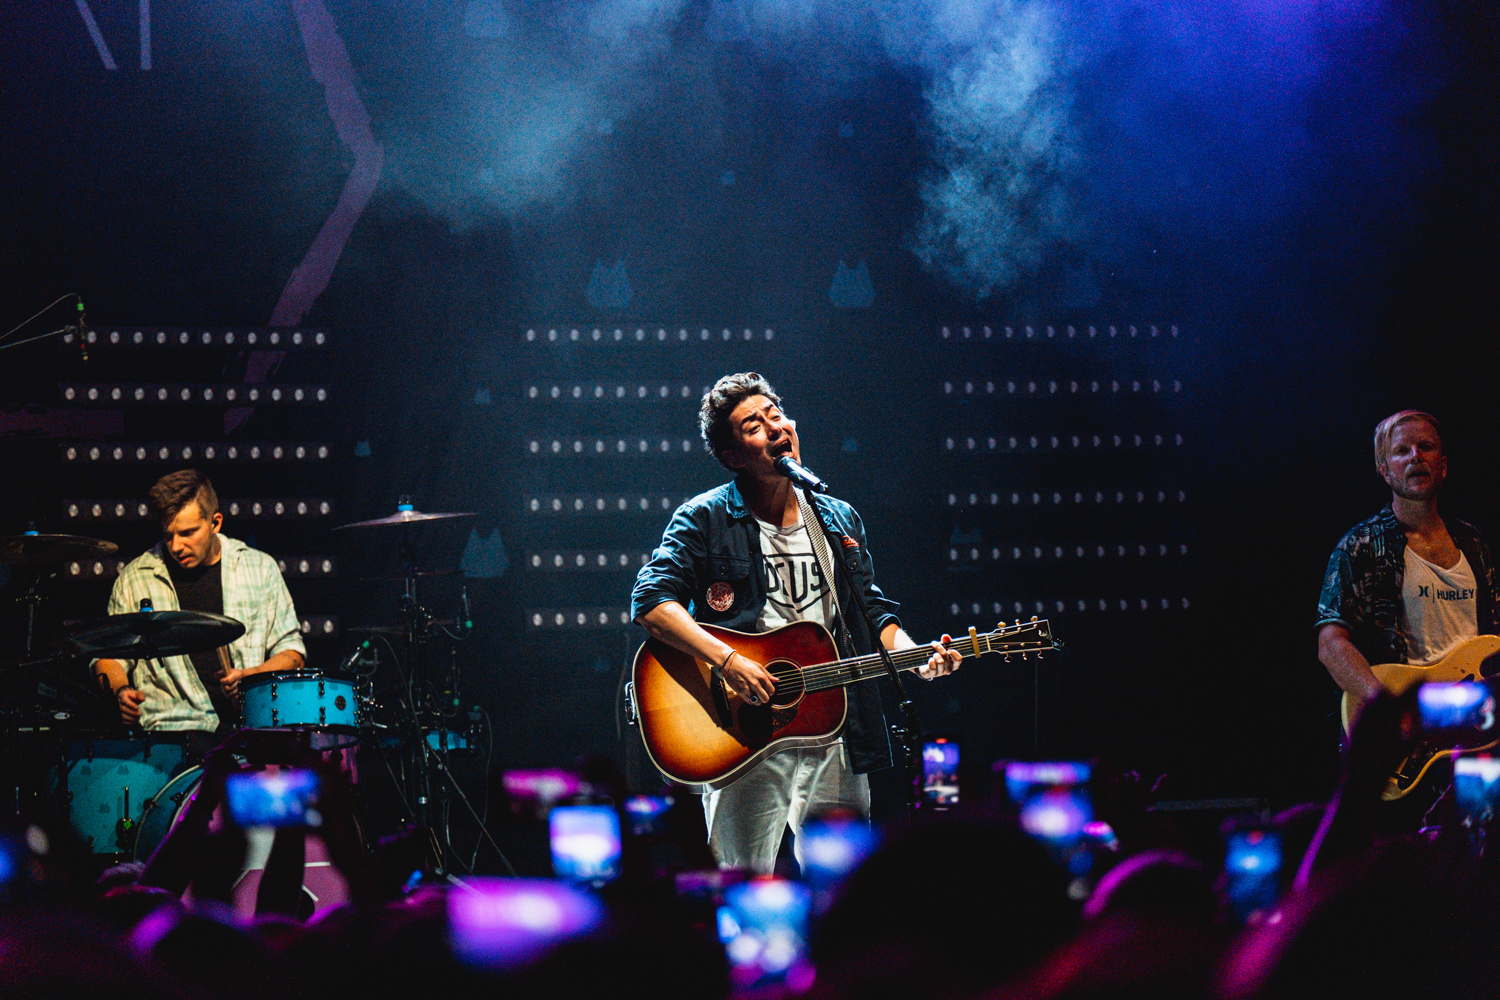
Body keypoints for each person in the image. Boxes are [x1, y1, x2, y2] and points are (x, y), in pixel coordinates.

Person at [631, 373, 961, 873]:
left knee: (842, 880)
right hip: (744, 731)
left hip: (836, 727)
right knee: (742, 879)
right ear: (733, 456)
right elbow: (651, 602)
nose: (775, 428)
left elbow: (869, 612)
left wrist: (916, 658)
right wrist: (728, 660)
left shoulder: (837, 519)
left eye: (776, 415)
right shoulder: (705, 518)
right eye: (753, 426)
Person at [92, 470, 307, 738]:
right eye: (168, 535)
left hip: (250, 730)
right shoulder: (136, 578)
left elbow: (292, 653)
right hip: (173, 733)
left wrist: (253, 677)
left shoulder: (259, 568)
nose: (176, 546)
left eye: (188, 533)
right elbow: (109, 657)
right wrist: (121, 692)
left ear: (215, 523)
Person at [1317, 410, 1500, 722]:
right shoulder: (1361, 545)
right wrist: (1386, 705)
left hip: (1474, 717)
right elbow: (1330, 644)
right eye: (1402, 450)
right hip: (1407, 723)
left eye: (1426, 447)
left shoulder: (1471, 542)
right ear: (1385, 471)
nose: (1416, 456)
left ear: (1443, 466)